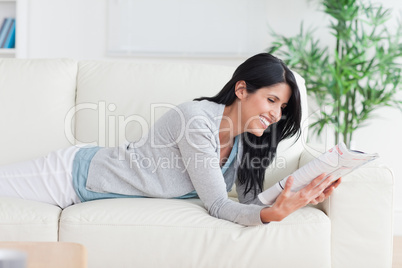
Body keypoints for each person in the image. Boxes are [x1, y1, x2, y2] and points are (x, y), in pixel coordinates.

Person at [0, 53, 341, 226]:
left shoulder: (245, 143)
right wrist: (270, 216)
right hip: (71, 175)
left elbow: (249, 206)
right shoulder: (195, 120)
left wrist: (295, 197)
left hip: (84, 188)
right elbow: (220, 206)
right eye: (271, 100)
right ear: (241, 89)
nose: (277, 115)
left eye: (282, 107)